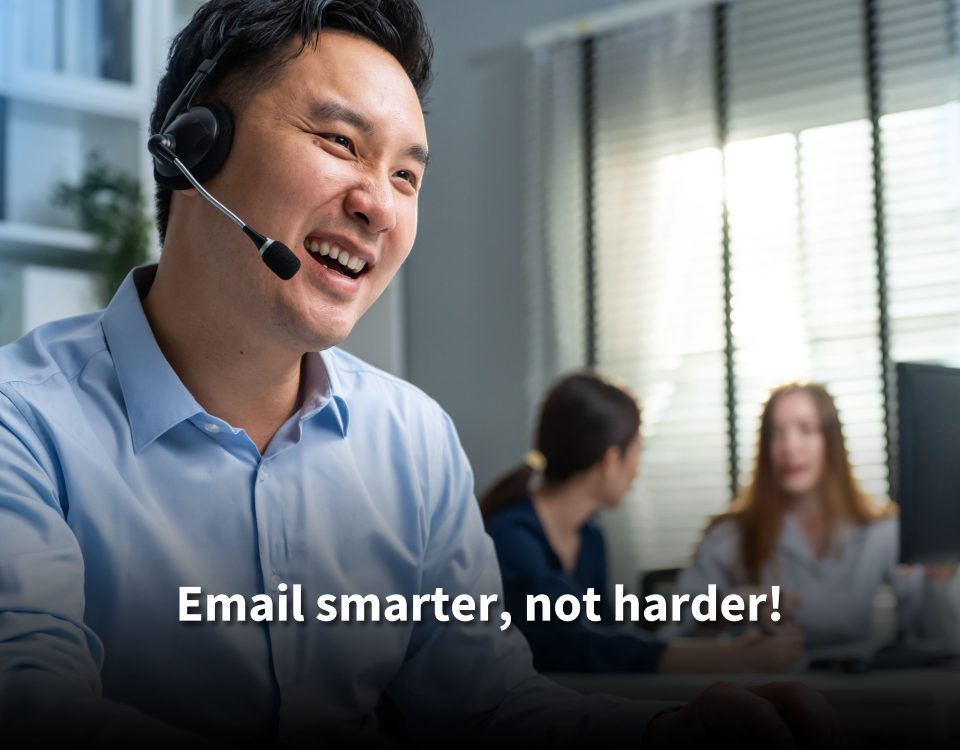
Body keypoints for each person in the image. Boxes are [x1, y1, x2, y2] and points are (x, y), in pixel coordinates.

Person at [0, 1, 837, 747]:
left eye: (406, 174)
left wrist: (669, 732)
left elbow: (487, 706)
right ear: (193, 150)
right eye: (339, 143)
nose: (380, 204)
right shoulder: (23, 424)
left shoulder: (413, 440)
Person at [481, 371, 803, 675]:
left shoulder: (590, 536)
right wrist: (734, 657)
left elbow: (606, 633)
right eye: (637, 451)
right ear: (610, 461)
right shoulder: (511, 539)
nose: (637, 468)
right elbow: (573, 647)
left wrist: (716, 608)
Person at [676, 382, 959, 648]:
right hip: (763, 690)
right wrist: (725, 607)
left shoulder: (882, 531)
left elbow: (935, 638)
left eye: (806, 429)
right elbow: (677, 622)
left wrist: (937, 580)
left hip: (864, 694)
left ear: (831, 442)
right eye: (776, 433)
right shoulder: (731, 533)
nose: (790, 447)